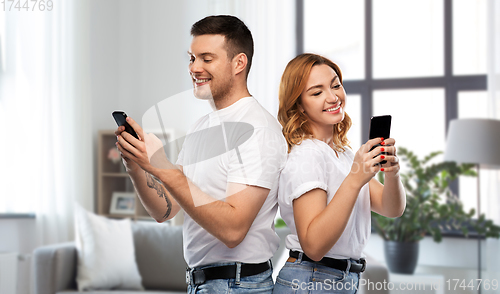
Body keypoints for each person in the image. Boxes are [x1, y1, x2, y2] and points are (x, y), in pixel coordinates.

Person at [115, 15, 287, 294]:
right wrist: (137, 166)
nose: (194, 68)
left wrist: (161, 167)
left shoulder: (258, 129)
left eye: (207, 58)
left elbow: (233, 230)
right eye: (192, 58)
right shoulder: (202, 127)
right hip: (204, 283)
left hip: (238, 285)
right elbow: (165, 209)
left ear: (239, 63)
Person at [273, 53, 406, 294]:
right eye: (317, 92)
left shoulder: (343, 155)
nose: (333, 97)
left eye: (336, 85)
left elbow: (392, 208)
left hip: (335, 280)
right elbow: (313, 245)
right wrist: (355, 180)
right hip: (311, 279)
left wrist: (392, 173)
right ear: (299, 106)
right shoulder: (307, 155)